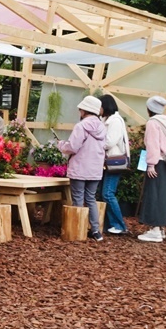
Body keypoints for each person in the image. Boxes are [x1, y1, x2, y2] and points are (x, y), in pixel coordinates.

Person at [58, 95, 107, 241]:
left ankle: (79, 231)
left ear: (85, 110)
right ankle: (96, 231)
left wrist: (61, 145)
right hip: (95, 169)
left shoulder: (81, 126)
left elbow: (73, 147)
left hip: (80, 168)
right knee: (91, 198)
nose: (79, 111)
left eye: (81, 109)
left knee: (78, 198)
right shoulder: (102, 127)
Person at [138, 96, 166, 242]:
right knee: (163, 195)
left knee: (153, 194)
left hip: (157, 162)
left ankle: (154, 230)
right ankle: (161, 228)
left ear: (149, 109)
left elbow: (152, 144)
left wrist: (151, 164)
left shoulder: (153, 123)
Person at [101, 95, 130, 235]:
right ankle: (111, 224)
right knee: (105, 193)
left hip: (113, 161)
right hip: (108, 161)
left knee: (108, 193)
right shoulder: (107, 120)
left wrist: (95, 144)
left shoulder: (115, 121)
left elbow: (110, 142)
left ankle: (120, 225)